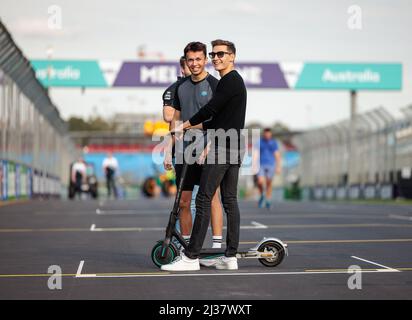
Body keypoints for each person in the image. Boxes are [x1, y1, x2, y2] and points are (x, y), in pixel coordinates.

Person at [162, 39, 247, 271]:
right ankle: (230, 257)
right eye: (214, 54)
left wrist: (185, 125)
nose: (216, 58)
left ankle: (190, 257)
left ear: (232, 57)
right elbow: (216, 120)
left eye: (221, 54)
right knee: (230, 200)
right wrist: (185, 130)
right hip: (234, 144)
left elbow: (209, 111)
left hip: (223, 147)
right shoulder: (229, 81)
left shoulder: (228, 81)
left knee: (204, 199)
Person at [163, 42, 224, 259]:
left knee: (212, 197)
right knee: (183, 201)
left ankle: (217, 248)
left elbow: (220, 120)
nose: (195, 63)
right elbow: (176, 121)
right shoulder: (180, 87)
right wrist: (168, 148)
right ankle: (186, 248)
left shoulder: (217, 85)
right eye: (191, 60)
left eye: (199, 59)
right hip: (183, 151)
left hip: (208, 149)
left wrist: (209, 147)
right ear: (186, 62)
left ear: (205, 59)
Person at [254, 128, 282, 209]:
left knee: (269, 183)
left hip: (271, 164)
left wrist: (278, 166)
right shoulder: (259, 142)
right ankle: (262, 194)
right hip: (261, 164)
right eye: (266, 134)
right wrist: (254, 165)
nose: (267, 135)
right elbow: (255, 153)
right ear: (264, 134)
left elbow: (277, 155)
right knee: (260, 181)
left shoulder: (273, 143)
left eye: (269, 134)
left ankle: (268, 200)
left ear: (271, 134)